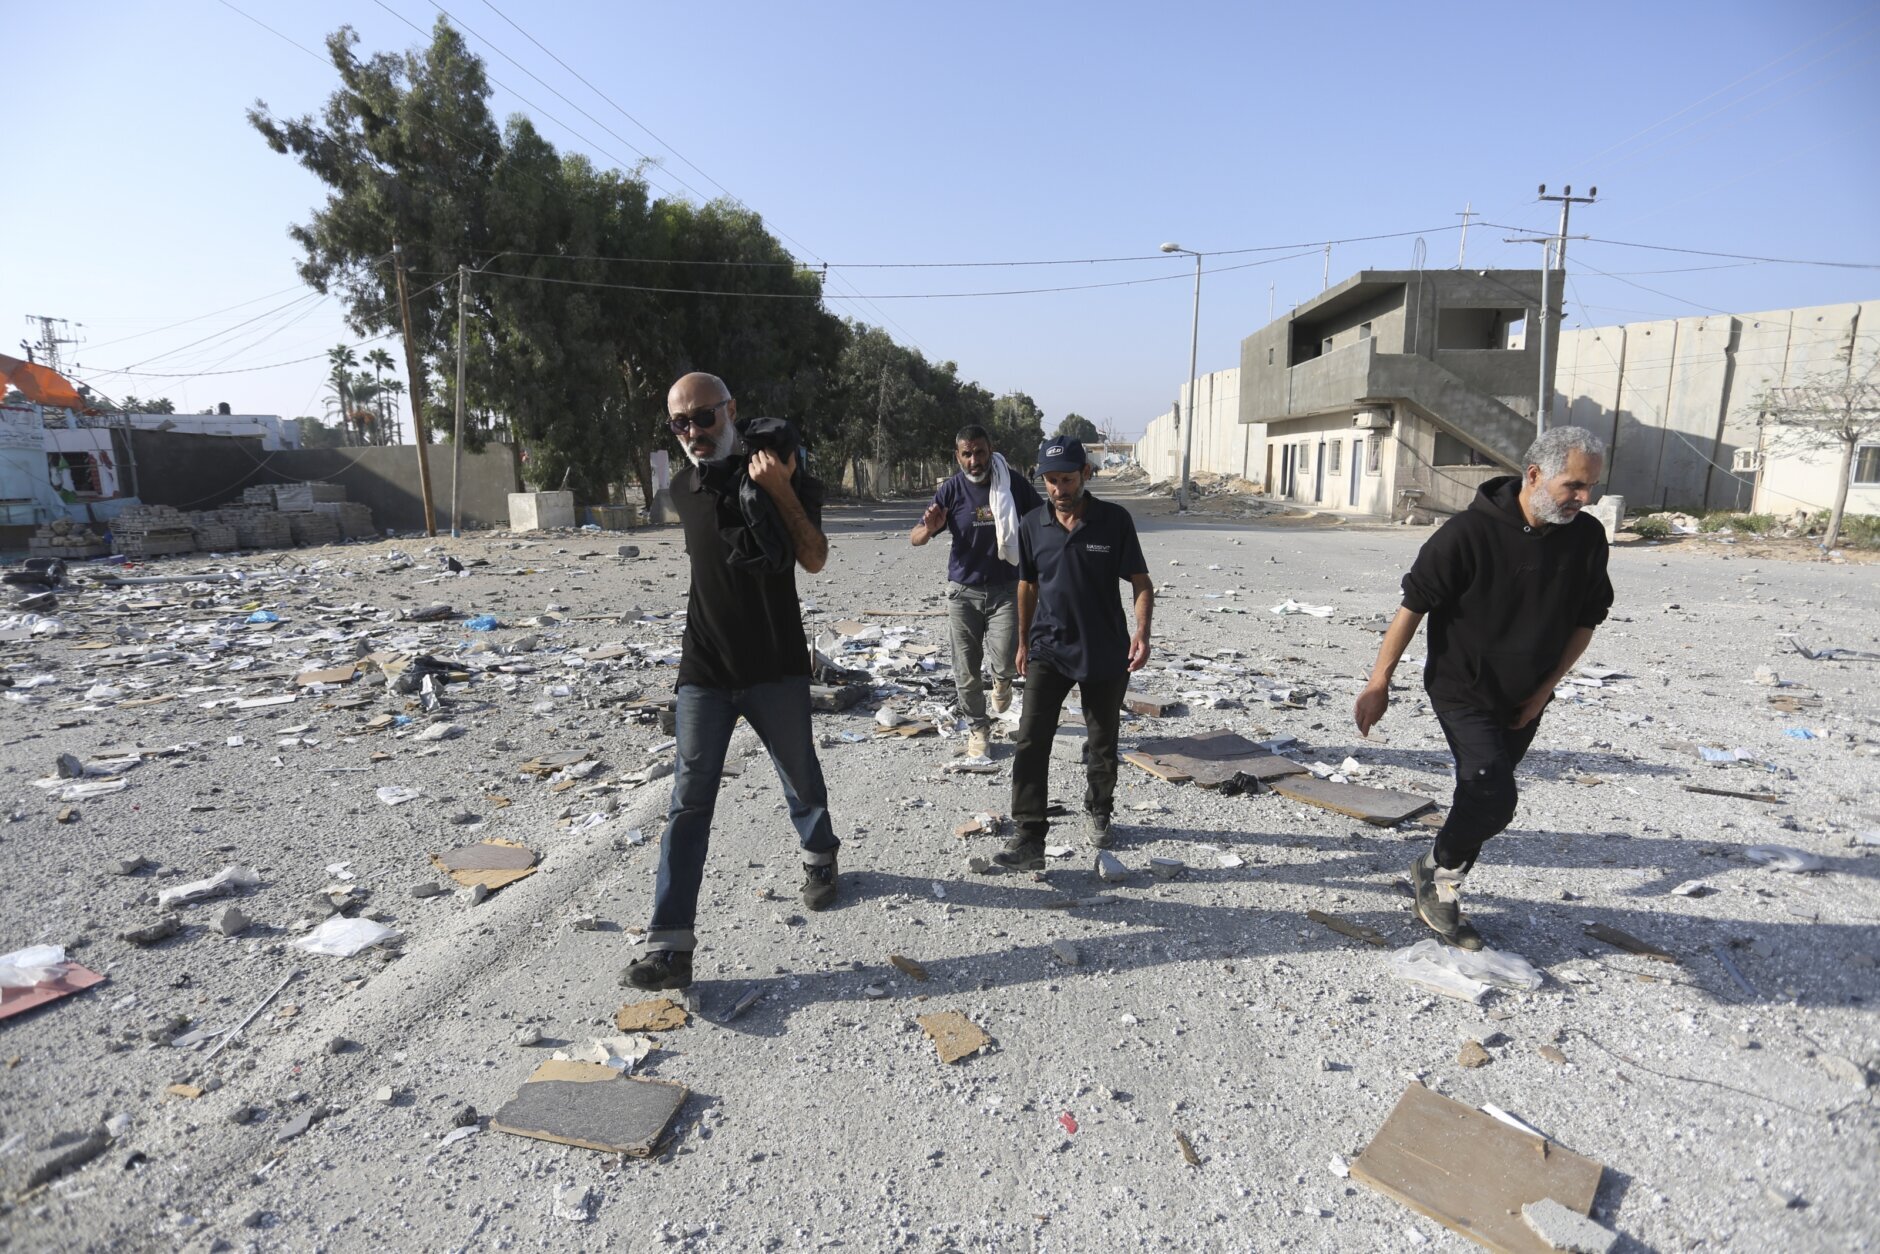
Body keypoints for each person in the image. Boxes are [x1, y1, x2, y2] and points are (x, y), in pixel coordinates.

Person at [1354, 426, 1614, 949]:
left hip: (1525, 697)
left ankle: (1438, 877)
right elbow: (1413, 607)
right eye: (1574, 485)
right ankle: (1438, 875)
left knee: (1479, 796)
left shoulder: (1585, 537)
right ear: (1535, 475)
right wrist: (1380, 680)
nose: (1585, 498)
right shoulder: (1467, 534)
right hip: (1463, 688)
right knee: (1494, 795)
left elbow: (1587, 619)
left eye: (1591, 487)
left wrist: (1543, 692)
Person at [624, 372, 839, 992]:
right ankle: (670, 948)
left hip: (775, 662)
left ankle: (820, 855)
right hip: (705, 669)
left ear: (731, 410)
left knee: (799, 774)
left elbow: (815, 557)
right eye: (680, 423)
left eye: (704, 417)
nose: (693, 432)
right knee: (688, 802)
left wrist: (781, 489)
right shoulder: (683, 488)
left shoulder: (783, 468)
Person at [995, 438, 1154, 869]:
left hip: (1105, 649)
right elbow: (1027, 585)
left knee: (1102, 741)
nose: (1059, 489)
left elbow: (1141, 583)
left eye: (1066, 479)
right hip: (1048, 648)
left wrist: (1142, 632)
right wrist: (1023, 640)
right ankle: (1029, 836)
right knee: (1031, 738)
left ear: (1085, 473)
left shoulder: (1114, 521)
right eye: (1051, 481)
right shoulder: (1032, 524)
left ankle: (1099, 808)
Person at [910, 424, 1044, 759]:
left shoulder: (1013, 484)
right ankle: (978, 729)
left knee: (1006, 659)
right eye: (967, 454)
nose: (974, 461)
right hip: (963, 593)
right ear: (957, 456)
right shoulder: (951, 490)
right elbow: (916, 537)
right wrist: (930, 528)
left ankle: (1002, 681)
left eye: (980, 452)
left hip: (1007, 590)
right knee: (965, 669)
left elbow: (1043, 522)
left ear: (990, 450)